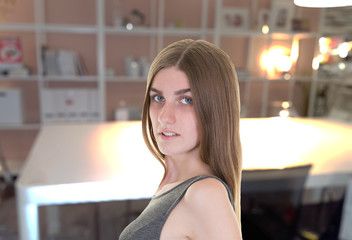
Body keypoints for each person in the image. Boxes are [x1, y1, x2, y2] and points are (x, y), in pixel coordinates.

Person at [119, 39, 242, 240]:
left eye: (186, 100)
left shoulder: (205, 194)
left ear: (215, 110)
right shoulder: (173, 183)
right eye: (158, 98)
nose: (164, 117)